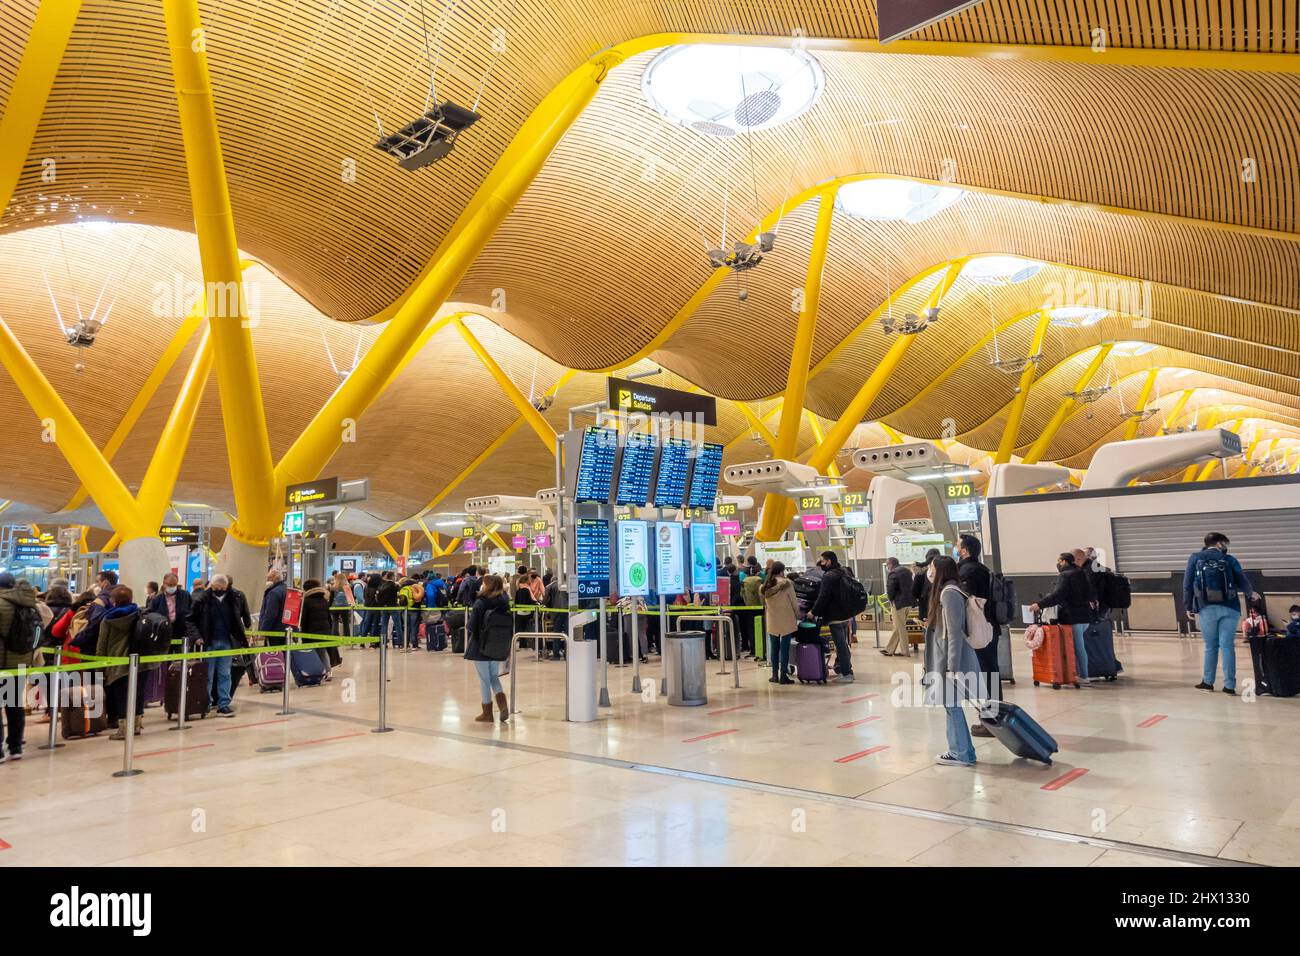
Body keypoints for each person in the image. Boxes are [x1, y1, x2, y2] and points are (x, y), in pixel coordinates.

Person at [1182, 532, 1259, 695]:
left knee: (1211, 646)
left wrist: (1188, 606)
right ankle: (1229, 685)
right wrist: (1250, 593)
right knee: (1227, 646)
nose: (1226, 547)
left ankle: (1208, 682)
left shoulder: (1195, 558)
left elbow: (1187, 584)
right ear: (1218, 544)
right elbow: (1241, 578)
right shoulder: (1230, 559)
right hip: (1230, 607)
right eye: (1225, 543)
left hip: (1206, 608)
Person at [927, 556, 982, 767]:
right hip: (951, 659)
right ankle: (965, 751)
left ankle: (959, 753)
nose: (929, 572)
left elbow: (955, 633)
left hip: (952, 661)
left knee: (951, 705)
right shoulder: (951, 590)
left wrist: (952, 667)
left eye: (932, 568)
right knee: (952, 705)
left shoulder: (948, 593)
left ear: (940, 570)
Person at [1029, 552, 1097, 684]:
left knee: (1078, 647)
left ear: (1064, 561)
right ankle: (1078, 672)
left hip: (1073, 616)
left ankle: (1083, 676)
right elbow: (1091, 593)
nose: (1058, 564)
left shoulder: (1065, 575)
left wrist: (1039, 604)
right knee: (1080, 645)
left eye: (1059, 561)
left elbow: (1057, 595)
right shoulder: (1081, 572)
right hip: (1085, 616)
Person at [96, 585, 153, 739]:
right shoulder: (141, 613)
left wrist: (99, 667)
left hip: (119, 663)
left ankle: (123, 729)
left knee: (121, 696)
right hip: (141, 661)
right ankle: (136, 725)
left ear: (114, 601)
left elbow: (102, 644)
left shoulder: (108, 619)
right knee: (138, 694)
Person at [956, 534, 999, 735]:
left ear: (964, 550)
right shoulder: (982, 568)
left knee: (986, 674)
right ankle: (993, 717)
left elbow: (967, 605)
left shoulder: (967, 571)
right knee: (990, 671)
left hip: (979, 630)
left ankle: (991, 721)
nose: (955, 549)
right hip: (989, 627)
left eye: (958, 546)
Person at [189, 574, 248, 717]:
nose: (220, 590)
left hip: (227, 642)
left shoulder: (234, 598)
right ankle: (205, 703)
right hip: (208, 642)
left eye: (222, 588)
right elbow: (190, 620)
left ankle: (223, 704)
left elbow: (240, 618)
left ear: (227, 587)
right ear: (211, 586)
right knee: (207, 675)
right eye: (217, 588)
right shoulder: (202, 599)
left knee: (225, 674)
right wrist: (196, 637)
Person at [0, 573, 44, 760]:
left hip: (1, 662)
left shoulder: (2, 604)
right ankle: (16, 747)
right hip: (21, 661)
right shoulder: (31, 604)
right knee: (14, 704)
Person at [465, 574, 510, 724]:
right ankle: (502, 705)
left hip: (480, 645)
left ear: (488, 585)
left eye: (483, 584)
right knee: (493, 677)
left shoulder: (481, 602)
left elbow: (471, 625)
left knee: (484, 679)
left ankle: (487, 713)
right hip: (498, 644)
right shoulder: (504, 602)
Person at [807, 551, 855, 683]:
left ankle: (846, 674)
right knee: (843, 644)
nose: (821, 564)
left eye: (822, 561)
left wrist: (813, 612)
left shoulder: (829, 576)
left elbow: (823, 597)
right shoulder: (843, 572)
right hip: (846, 614)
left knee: (840, 645)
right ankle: (847, 669)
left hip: (835, 615)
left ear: (828, 561)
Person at [760, 562, 798, 685]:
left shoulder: (765, 585)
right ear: (782, 571)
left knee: (774, 648)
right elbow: (794, 602)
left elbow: (763, 603)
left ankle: (774, 675)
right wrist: (798, 615)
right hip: (786, 619)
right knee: (785, 649)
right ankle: (783, 676)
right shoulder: (787, 584)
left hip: (772, 620)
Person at [146, 572, 193, 651]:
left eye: (174, 585)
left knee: (180, 660)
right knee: (164, 660)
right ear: (164, 584)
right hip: (164, 633)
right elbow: (150, 613)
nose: (172, 587)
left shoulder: (185, 595)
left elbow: (191, 613)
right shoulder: (157, 599)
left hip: (181, 632)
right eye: (169, 585)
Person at [299, 579, 337, 676]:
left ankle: (325, 671)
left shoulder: (306, 601)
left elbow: (304, 619)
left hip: (311, 631)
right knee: (323, 651)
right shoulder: (324, 600)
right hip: (325, 629)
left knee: (316, 652)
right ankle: (327, 671)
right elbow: (329, 617)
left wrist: (302, 631)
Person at [882, 557, 913, 657]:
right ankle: (889, 649)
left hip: (898, 603)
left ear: (891, 564)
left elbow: (890, 589)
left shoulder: (893, 573)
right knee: (898, 626)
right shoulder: (907, 571)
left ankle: (905, 651)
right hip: (908, 603)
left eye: (887, 565)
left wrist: (891, 600)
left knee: (901, 627)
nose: (887, 567)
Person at [912, 549, 940, 626]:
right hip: (940, 613)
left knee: (928, 635)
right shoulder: (944, 574)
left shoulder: (920, 575)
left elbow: (915, 593)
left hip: (925, 612)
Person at [329, 571, 354, 644]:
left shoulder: (333, 587)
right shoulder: (347, 587)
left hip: (335, 607)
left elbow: (331, 598)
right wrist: (352, 605)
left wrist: (329, 606)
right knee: (346, 622)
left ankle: (335, 638)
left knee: (335, 621)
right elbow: (350, 598)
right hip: (345, 607)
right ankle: (347, 638)